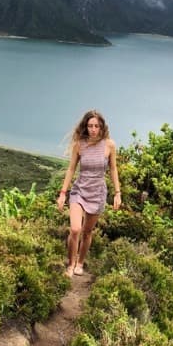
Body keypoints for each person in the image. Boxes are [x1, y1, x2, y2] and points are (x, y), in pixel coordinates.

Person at [56, 110, 121, 276]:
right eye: (90, 125)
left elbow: (113, 169)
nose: (93, 129)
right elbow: (71, 169)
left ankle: (80, 263)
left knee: (87, 232)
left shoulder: (109, 145)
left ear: (101, 127)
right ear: (85, 126)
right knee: (75, 229)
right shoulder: (79, 144)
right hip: (79, 191)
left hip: (97, 193)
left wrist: (117, 193)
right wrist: (63, 193)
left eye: (96, 126)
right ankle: (70, 264)